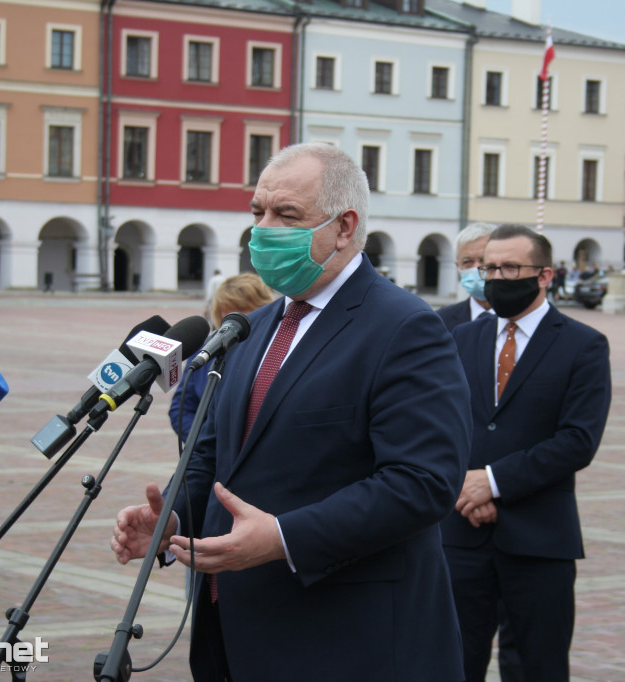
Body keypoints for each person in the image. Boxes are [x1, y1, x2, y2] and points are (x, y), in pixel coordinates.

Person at [111, 142, 471, 682]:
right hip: (233, 631)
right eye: (258, 211)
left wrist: (284, 537)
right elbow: (215, 457)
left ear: (345, 227)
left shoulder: (406, 328)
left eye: (286, 215)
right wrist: (173, 519)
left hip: (346, 639)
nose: (263, 229)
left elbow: (422, 482)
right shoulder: (251, 328)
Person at [441, 223, 612, 682]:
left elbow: (578, 439)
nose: (495, 276)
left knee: (538, 665)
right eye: (488, 266)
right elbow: (442, 426)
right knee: (455, 661)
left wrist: (493, 483)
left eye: (509, 267)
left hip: (539, 538)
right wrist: (466, 488)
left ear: (544, 275)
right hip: (461, 534)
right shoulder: (461, 339)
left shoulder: (584, 345)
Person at [437, 223, 524, 682]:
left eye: (485, 263)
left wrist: (492, 482)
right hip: (454, 510)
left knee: (525, 648)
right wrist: (466, 484)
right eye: (468, 263)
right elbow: (431, 419)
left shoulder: (546, 331)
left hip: (525, 510)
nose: (478, 272)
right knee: (458, 644)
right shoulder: (436, 324)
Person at [170, 272, 275, 442]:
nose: (230, 319)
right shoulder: (207, 350)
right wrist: (202, 445)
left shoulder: (275, 351)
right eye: (224, 312)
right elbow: (181, 409)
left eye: (241, 310)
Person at [437, 223, 496, 331]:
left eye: (483, 260)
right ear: (458, 266)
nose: (477, 267)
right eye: (468, 261)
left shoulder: (518, 317)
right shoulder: (441, 320)